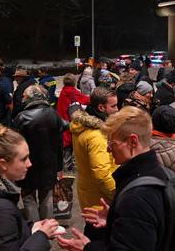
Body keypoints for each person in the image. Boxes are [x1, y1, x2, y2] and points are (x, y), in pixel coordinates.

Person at [57, 107, 167, 250]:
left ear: (133, 142)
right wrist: (116, 216)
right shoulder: (157, 172)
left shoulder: (136, 197)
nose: (108, 149)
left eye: (112, 143)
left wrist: (87, 247)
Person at [70, 88, 119, 241]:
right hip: (101, 201)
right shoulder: (97, 136)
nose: (117, 109)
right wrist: (118, 196)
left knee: (91, 234)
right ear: (101, 108)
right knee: (98, 239)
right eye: (113, 106)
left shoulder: (83, 127)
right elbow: (101, 174)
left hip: (90, 194)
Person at [12, 85, 66, 222]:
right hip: (49, 164)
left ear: (31, 97)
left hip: (28, 164)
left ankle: (35, 229)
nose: (22, 98)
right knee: (46, 196)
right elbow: (61, 139)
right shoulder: (54, 114)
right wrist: (59, 165)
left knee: (28, 196)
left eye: (24, 96)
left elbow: (14, 143)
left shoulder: (22, 117)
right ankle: (48, 226)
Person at [57, 74, 90, 171]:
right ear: (74, 82)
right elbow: (84, 100)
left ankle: (65, 168)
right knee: (73, 147)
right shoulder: (73, 92)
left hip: (62, 121)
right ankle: (71, 170)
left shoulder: (63, 92)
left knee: (66, 147)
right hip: (71, 122)